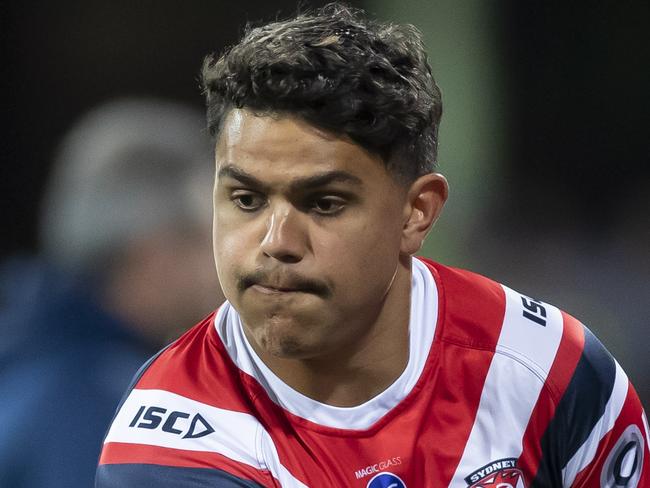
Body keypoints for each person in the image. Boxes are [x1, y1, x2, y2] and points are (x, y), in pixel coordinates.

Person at [95, 5, 649, 487]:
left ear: (417, 212)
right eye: (246, 199)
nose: (276, 243)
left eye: (325, 203)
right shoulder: (169, 445)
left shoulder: (548, 369)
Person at [0, 99, 222, 488]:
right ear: (153, 251)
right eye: (209, 237)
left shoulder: (29, 366)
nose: (225, 263)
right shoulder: (100, 413)